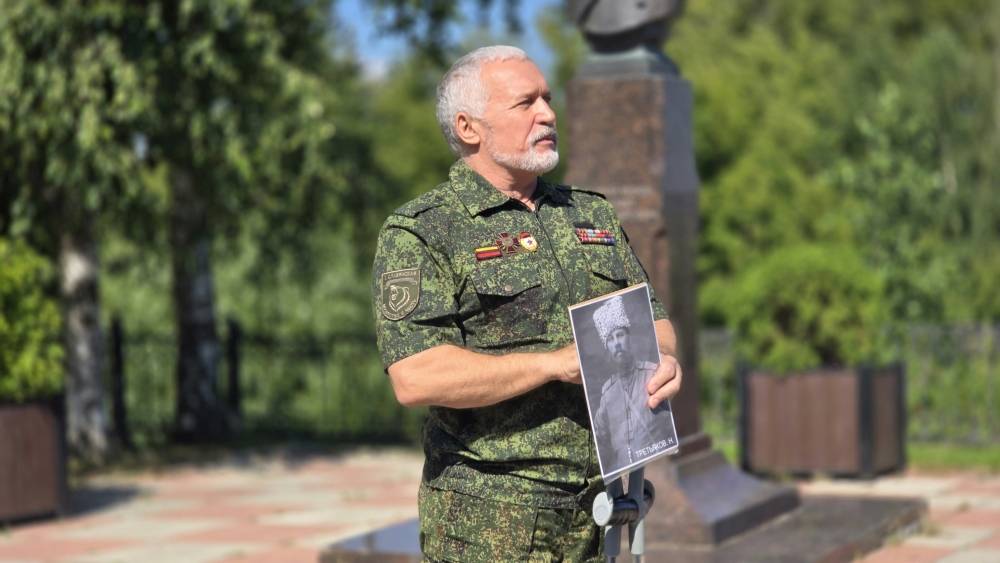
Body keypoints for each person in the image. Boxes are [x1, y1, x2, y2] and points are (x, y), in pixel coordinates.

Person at [371, 45, 682, 562]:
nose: (548, 114)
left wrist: (663, 360)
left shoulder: (590, 213)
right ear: (469, 128)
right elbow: (416, 376)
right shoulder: (424, 231)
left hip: (602, 511)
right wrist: (553, 365)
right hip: (493, 522)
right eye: (525, 103)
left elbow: (653, 318)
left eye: (548, 99)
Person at [591, 296, 671, 473]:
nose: (617, 343)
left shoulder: (652, 374)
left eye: (620, 335)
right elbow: (600, 437)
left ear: (629, 338)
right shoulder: (607, 394)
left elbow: (668, 427)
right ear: (607, 347)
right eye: (610, 339)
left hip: (656, 469)